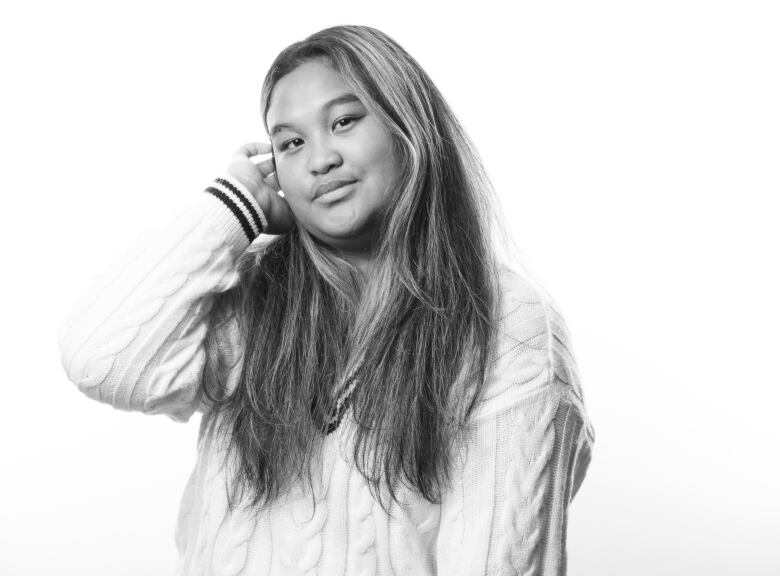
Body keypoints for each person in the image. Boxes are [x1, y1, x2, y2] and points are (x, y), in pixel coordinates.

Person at [58, 24, 594, 576]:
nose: (319, 160)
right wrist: (234, 206)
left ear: (408, 127)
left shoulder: (508, 326)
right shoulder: (252, 295)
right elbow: (102, 358)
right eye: (290, 143)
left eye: (343, 122)